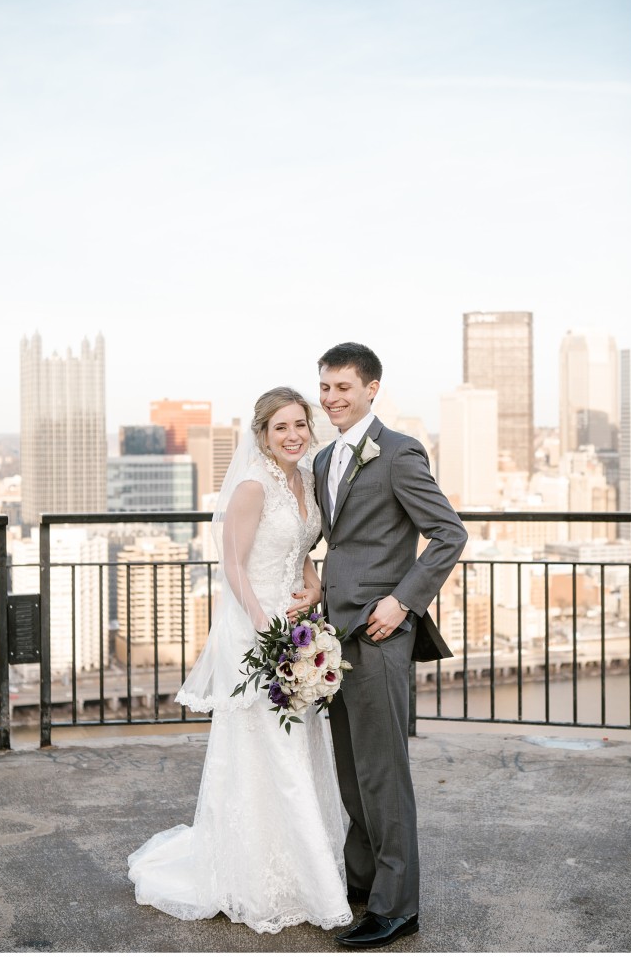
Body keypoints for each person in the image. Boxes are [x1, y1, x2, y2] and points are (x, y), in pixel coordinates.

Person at [128, 387, 352, 935]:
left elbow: (300, 553)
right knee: (268, 745)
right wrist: (262, 622)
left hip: (295, 628)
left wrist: (314, 590)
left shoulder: (305, 480)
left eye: (300, 424)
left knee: (299, 742)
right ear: (262, 435)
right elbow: (233, 564)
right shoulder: (253, 487)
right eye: (281, 427)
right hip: (257, 629)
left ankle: (301, 866)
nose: (293, 434)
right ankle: (268, 878)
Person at [307, 342, 467, 949]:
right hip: (331, 639)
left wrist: (403, 601)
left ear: (372, 389)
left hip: (379, 637)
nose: (331, 398)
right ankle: (365, 881)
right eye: (324, 387)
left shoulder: (399, 453)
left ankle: (398, 908)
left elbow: (449, 534)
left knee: (383, 776)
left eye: (342, 388)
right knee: (350, 772)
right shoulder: (325, 459)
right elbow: (339, 543)